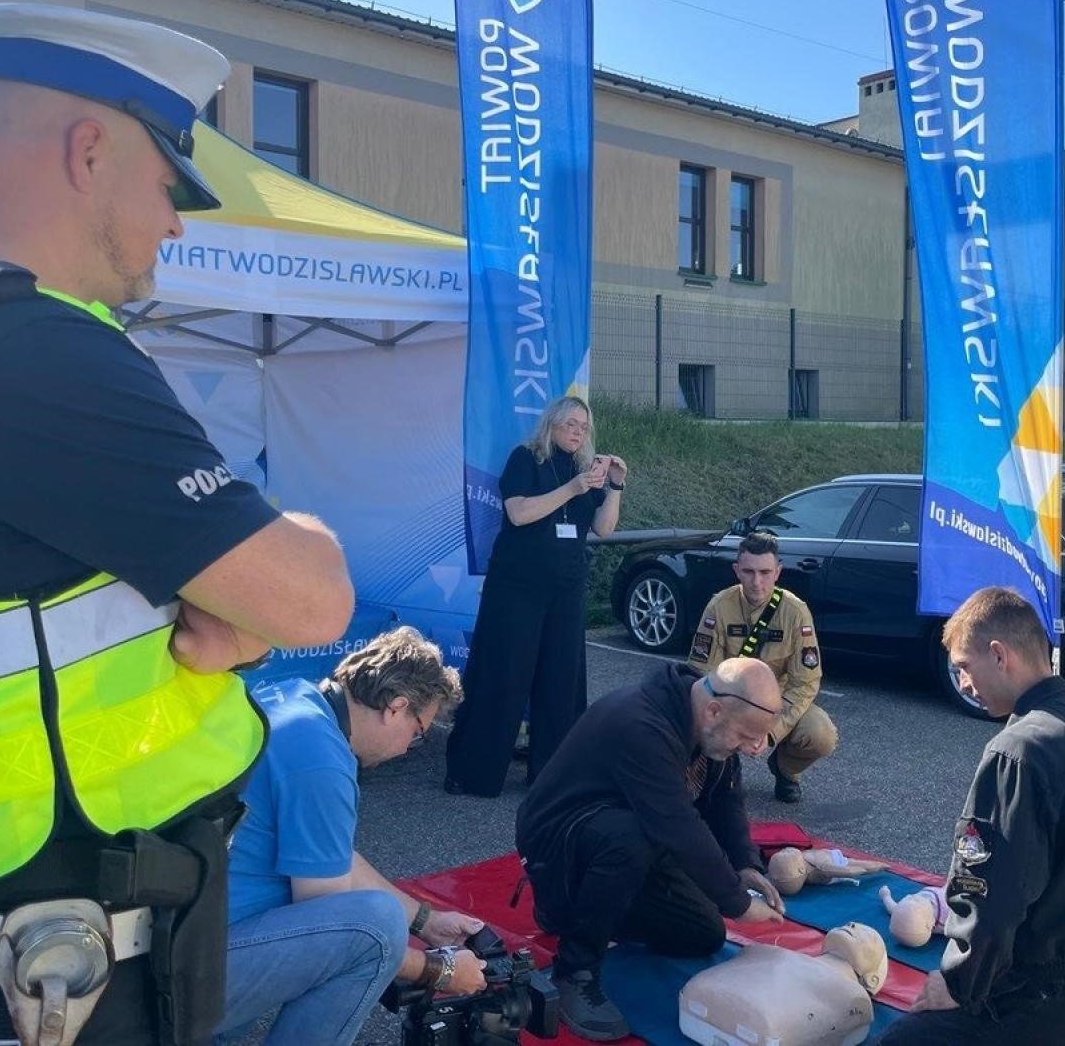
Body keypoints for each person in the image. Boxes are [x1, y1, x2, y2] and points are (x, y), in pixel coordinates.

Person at [0, 3, 354, 1045]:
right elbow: (312, 599)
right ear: (89, 151)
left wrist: (237, 611)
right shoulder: (25, 350)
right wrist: (266, 594)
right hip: (45, 981)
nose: (175, 224)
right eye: (169, 186)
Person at [880, 587, 1065, 1046]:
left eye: (964, 667)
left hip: (1059, 996)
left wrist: (959, 983)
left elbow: (991, 892)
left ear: (999, 655)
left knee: (902, 1040)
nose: (963, 684)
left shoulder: (1020, 750)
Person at [219, 628, 486, 1044]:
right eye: (418, 733)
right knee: (376, 928)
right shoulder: (322, 763)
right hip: (198, 970)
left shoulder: (297, 701)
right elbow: (340, 925)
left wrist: (426, 922)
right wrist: (440, 970)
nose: (408, 748)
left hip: (183, 938)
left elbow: (331, 856)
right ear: (396, 707)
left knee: (379, 918)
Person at [516, 657, 788, 1042]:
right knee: (631, 838)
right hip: (558, 843)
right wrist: (737, 901)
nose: (755, 749)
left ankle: (574, 911)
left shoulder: (712, 721)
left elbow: (727, 801)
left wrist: (746, 866)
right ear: (714, 710)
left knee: (703, 934)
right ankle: (575, 968)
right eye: (747, 736)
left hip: (630, 833)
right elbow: (677, 826)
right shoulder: (640, 725)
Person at [444, 396, 626, 797]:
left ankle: (553, 775)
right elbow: (519, 513)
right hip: (517, 587)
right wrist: (572, 489)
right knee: (503, 674)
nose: (578, 432)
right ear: (552, 424)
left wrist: (614, 486)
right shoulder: (526, 459)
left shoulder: (583, 469)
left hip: (566, 589)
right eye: (571, 424)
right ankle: (474, 773)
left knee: (561, 680)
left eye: (584, 427)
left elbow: (604, 528)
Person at [688, 531, 837, 803]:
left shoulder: (795, 612)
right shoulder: (719, 607)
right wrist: (727, 721)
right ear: (737, 570)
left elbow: (805, 682)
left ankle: (785, 769)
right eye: (749, 572)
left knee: (821, 734)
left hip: (778, 703)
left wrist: (771, 733)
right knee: (695, 714)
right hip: (731, 700)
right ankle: (709, 774)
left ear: (778, 572)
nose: (757, 582)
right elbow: (701, 674)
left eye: (765, 573)